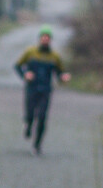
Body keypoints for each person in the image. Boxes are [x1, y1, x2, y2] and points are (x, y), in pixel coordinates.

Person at [14, 24, 71, 156]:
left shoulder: (54, 56)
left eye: (48, 37)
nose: (45, 39)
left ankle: (37, 145)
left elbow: (60, 73)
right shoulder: (30, 52)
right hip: (31, 88)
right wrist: (25, 75)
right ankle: (28, 125)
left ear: (50, 40)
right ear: (39, 38)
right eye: (43, 37)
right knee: (30, 114)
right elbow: (17, 66)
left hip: (46, 90)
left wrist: (63, 77)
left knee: (42, 117)